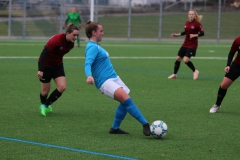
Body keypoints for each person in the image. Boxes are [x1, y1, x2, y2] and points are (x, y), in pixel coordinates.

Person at [84, 21, 151, 136]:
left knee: (125, 100)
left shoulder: (96, 46)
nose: (103, 33)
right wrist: (89, 75)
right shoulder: (92, 47)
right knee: (126, 99)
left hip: (113, 77)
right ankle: (145, 124)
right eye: (101, 31)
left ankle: (115, 128)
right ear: (94, 33)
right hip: (105, 82)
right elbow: (87, 63)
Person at [37, 24, 79, 117]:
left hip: (57, 65)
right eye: (74, 35)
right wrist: (41, 69)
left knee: (62, 87)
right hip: (45, 65)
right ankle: (44, 103)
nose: (76, 37)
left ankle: (45, 105)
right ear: (67, 33)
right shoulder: (56, 40)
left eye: (77, 35)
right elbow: (44, 53)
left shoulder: (71, 44)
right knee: (45, 92)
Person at [168, 9, 204, 80]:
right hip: (185, 43)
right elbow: (185, 32)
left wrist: (194, 35)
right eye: (190, 14)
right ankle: (174, 74)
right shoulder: (187, 23)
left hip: (192, 45)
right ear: (188, 15)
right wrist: (177, 35)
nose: (191, 15)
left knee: (185, 60)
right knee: (178, 58)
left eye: (192, 14)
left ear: (195, 15)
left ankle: (195, 71)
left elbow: (202, 33)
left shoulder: (197, 24)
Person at [210, 36, 240, 113]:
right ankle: (217, 104)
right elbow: (231, 53)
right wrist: (228, 65)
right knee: (223, 85)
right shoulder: (238, 40)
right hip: (237, 65)